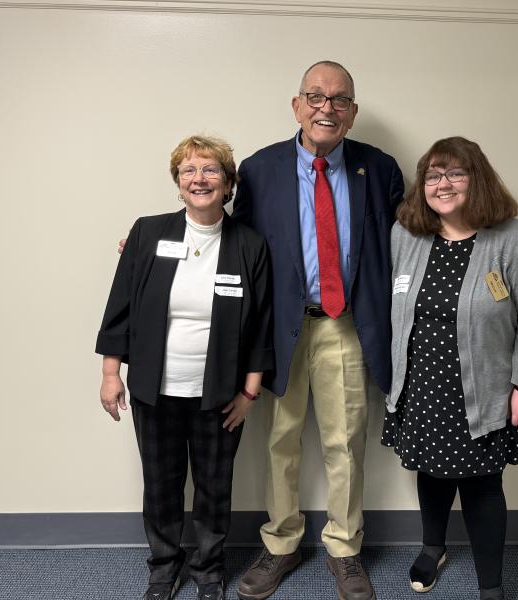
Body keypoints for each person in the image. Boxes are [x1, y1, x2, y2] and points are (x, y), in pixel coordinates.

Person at [232, 61, 404, 600]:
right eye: (315, 96)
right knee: (280, 440)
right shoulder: (258, 170)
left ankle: (345, 550)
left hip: (346, 325)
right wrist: (155, 244)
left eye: (339, 99)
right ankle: (280, 544)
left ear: (351, 113)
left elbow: (404, 242)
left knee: (345, 443)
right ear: (296, 105)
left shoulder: (379, 169)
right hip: (281, 328)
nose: (326, 107)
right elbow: (233, 241)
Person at [96, 135, 273, 600]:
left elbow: (261, 326)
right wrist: (111, 373)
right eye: (189, 170)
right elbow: (121, 309)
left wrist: (249, 394)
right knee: (161, 486)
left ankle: (209, 571)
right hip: (156, 389)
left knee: (215, 488)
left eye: (211, 170)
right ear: (178, 184)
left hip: (220, 394)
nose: (199, 179)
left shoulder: (250, 245)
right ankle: (163, 567)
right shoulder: (147, 234)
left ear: (228, 183)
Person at [382, 137, 518, 600]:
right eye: (433, 175)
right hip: (421, 384)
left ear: (476, 179)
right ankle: (432, 547)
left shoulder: (511, 237)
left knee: (482, 485)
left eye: (455, 173)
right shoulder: (407, 235)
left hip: (485, 390)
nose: (443, 184)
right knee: (431, 473)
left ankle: (491, 586)